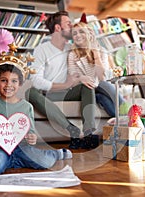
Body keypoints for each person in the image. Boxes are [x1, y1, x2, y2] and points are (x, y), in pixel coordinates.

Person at [26, 11, 97, 149]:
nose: (72, 27)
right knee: (31, 92)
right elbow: (36, 80)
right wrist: (64, 85)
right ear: (58, 28)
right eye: (68, 24)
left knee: (87, 85)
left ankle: (89, 134)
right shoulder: (41, 50)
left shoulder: (72, 49)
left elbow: (84, 69)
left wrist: (81, 78)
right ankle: (72, 130)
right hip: (48, 95)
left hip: (69, 92)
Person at [68, 21, 125, 117]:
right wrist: (81, 79)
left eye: (81, 32)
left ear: (89, 34)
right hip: (85, 90)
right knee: (100, 85)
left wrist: (96, 55)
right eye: (74, 33)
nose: (78, 35)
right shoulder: (72, 55)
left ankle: (126, 121)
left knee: (101, 96)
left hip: (100, 89)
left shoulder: (102, 51)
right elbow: (73, 78)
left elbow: (103, 77)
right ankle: (132, 116)